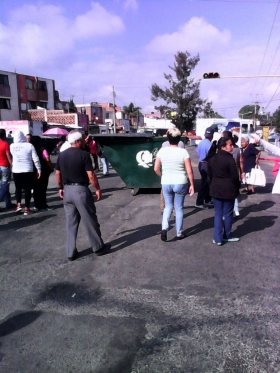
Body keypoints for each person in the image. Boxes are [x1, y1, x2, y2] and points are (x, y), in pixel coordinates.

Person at [55, 130, 111, 261]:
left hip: (67, 190)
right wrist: (97, 189)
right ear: (78, 141)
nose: (85, 141)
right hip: (80, 190)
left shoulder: (61, 155)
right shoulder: (84, 155)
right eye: (83, 140)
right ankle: (98, 247)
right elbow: (91, 175)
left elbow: (57, 173)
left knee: (71, 223)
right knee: (90, 220)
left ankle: (70, 252)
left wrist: (60, 188)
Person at [154, 127, 195, 241]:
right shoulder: (183, 152)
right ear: (179, 139)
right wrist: (192, 184)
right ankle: (179, 233)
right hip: (180, 182)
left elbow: (156, 168)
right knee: (179, 208)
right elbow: (189, 171)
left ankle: (164, 228)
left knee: (168, 206)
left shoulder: (162, 151)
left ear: (168, 138)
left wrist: (163, 176)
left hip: (166, 182)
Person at [207, 137, 240, 246]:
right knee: (228, 213)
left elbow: (209, 175)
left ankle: (217, 238)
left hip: (215, 189)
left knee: (218, 214)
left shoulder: (212, 158)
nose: (232, 146)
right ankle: (227, 235)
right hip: (229, 189)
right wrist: (237, 187)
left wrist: (212, 184)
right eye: (230, 145)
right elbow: (235, 177)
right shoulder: (230, 159)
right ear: (223, 147)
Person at [10, 130, 41, 215]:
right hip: (28, 169)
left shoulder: (12, 146)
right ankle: (27, 208)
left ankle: (19, 205)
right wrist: (39, 169)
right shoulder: (29, 145)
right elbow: (35, 158)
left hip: (16, 170)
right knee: (27, 189)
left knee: (18, 188)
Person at [222, 131, 244, 217]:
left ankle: (226, 213)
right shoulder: (238, 149)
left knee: (225, 193)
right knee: (234, 192)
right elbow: (241, 162)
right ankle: (236, 209)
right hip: (235, 172)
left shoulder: (223, 148)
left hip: (225, 172)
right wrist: (242, 172)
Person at [31, 136, 54, 211]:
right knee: (43, 188)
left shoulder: (30, 149)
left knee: (35, 188)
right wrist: (51, 167)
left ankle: (36, 205)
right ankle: (43, 205)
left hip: (33, 171)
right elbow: (47, 159)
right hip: (43, 171)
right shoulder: (42, 149)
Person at [195, 127, 214, 209]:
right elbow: (211, 156)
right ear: (212, 135)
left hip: (201, 163)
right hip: (206, 164)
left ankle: (207, 200)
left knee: (207, 183)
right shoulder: (210, 144)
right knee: (205, 184)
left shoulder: (201, 142)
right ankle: (199, 202)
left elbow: (197, 153)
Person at [0, 129, 13, 209]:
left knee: (5, 186)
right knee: (5, 186)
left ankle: (8, 203)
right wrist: (12, 165)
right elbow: (8, 156)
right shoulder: (5, 144)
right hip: (4, 167)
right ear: (4, 135)